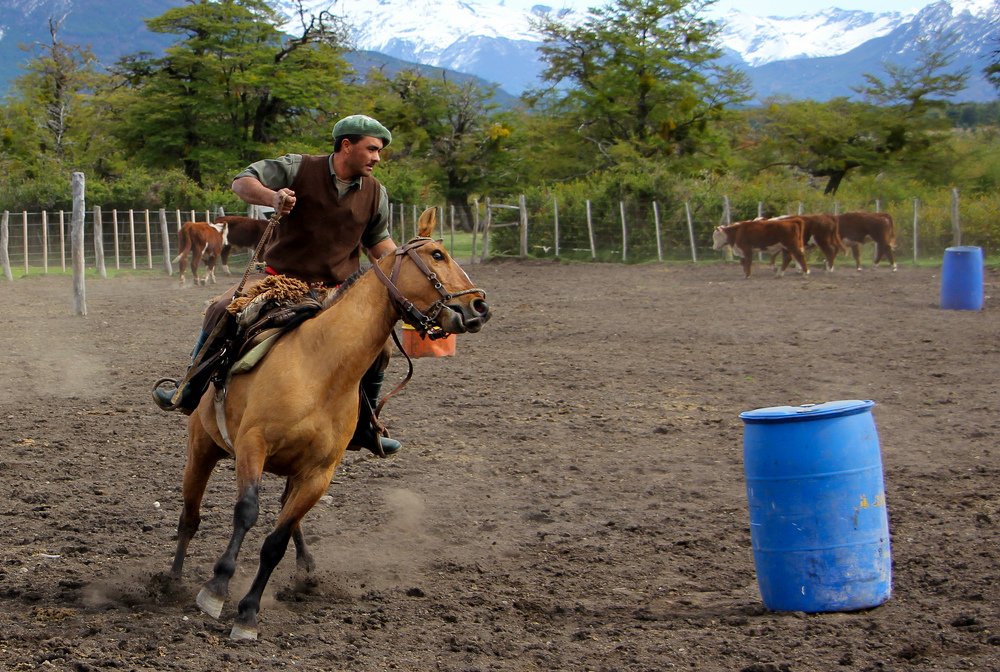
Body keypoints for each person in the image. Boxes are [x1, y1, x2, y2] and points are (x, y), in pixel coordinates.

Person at [152, 114, 402, 456]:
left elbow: (380, 244)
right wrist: (272, 198)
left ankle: (365, 425)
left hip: (339, 291)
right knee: (222, 309)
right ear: (347, 145)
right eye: (372, 149)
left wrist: (405, 266)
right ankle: (188, 389)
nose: (377, 157)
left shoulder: (376, 193)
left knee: (382, 347)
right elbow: (241, 182)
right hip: (283, 281)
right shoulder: (298, 168)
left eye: (380, 151)